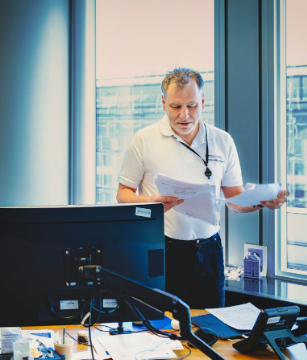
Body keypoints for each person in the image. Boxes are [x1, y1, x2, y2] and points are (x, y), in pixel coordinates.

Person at [116, 68, 289, 309]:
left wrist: (262, 201)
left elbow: (235, 200)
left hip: (209, 251)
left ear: (203, 102)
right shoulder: (144, 140)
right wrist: (152, 202)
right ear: (163, 103)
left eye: (192, 105)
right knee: (164, 327)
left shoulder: (222, 140)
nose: (184, 115)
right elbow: (123, 194)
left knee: (210, 326)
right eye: (176, 106)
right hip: (162, 247)